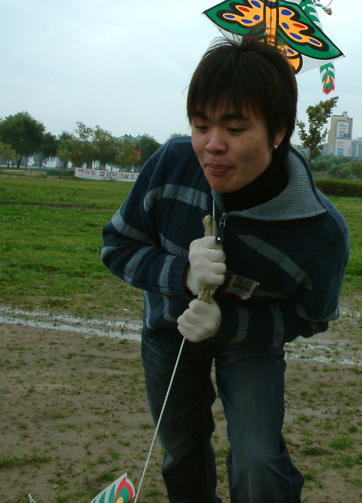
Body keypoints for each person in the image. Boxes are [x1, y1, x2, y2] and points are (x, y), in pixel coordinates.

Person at [101, 35, 349, 503]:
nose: (212, 146)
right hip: (170, 332)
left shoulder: (320, 233)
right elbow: (117, 245)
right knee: (181, 452)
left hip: (251, 345)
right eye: (201, 126)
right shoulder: (173, 164)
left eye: (235, 129)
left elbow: (313, 315)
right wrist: (183, 275)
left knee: (258, 462)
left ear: (277, 132)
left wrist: (228, 322)